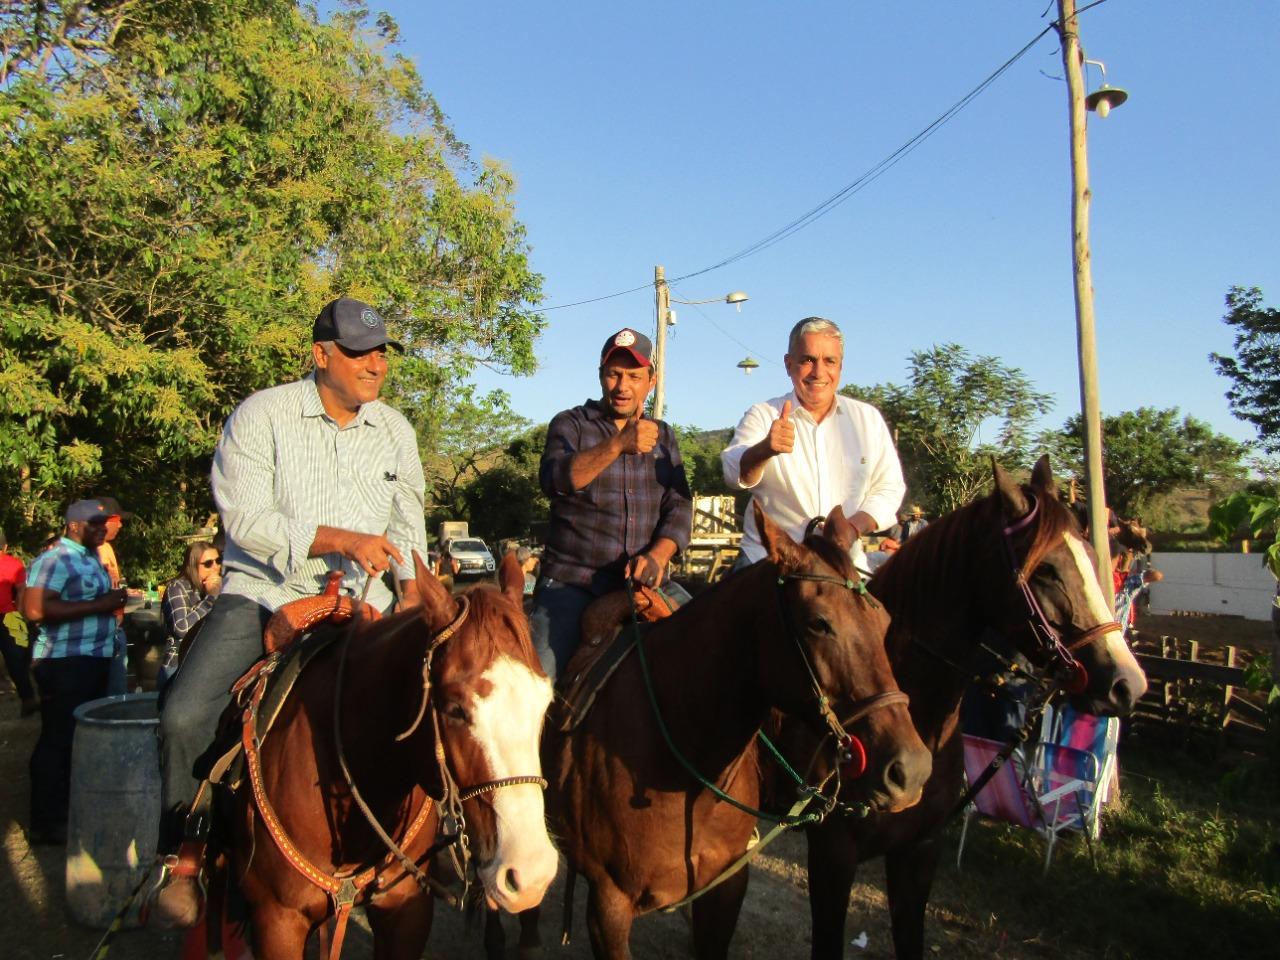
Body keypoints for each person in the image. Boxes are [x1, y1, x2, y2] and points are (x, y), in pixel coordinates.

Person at [148, 297, 430, 927]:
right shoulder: (261, 416)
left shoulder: (396, 431)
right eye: (359, 352)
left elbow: (410, 529)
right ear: (321, 354)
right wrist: (342, 539)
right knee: (185, 712)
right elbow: (244, 520)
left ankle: (453, 843)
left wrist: (415, 595)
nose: (375, 364)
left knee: (450, 705)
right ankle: (183, 852)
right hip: (267, 593)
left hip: (368, 605)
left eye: (382, 352)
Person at [531, 327, 693, 681]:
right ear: (600, 376)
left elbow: (679, 506)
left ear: (651, 380)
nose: (622, 386)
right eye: (614, 374)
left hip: (646, 583)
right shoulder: (570, 424)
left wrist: (657, 556)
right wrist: (618, 445)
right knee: (536, 679)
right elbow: (556, 479)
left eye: (634, 376)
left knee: (710, 651)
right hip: (572, 583)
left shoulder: (664, 436)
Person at [721, 317, 906, 574]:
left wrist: (852, 529)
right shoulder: (764, 414)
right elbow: (733, 474)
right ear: (788, 364)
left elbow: (889, 488)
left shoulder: (867, 419)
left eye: (829, 361)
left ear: (840, 366)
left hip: (842, 567)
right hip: (768, 565)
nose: (819, 372)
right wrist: (765, 449)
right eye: (807, 360)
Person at [20, 499, 129, 845]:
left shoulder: (91, 558)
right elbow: (34, 609)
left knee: (78, 740)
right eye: (95, 523)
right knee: (58, 737)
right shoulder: (55, 559)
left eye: (105, 523)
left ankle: (68, 809)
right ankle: (45, 820)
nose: (104, 528)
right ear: (74, 525)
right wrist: (101, 605)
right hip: (63, 661)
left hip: (92, 658)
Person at [158, 540, 222, 690]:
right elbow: (181, 628)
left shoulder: (222, 587)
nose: (215, 567)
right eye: (208, 563)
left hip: (206, 665)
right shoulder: (177, 588)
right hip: (179, 666)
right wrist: (210, 599)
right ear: (193, 566)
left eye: (218, 561)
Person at [0, 529, 38, 716]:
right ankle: (28, 699)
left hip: (8, 615)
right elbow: (22, 591)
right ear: (5, 546)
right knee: (16, 660)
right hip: (9, 616)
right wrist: (21, 612)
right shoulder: (14, 564)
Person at [97, 496, 130, 695]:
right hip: (105, 629)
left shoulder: (106, 547)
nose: (121, 525)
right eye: (118, 521)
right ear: (107, 521)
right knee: (112, 692)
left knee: (117, 685)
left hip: (114, 627)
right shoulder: (92, 550)